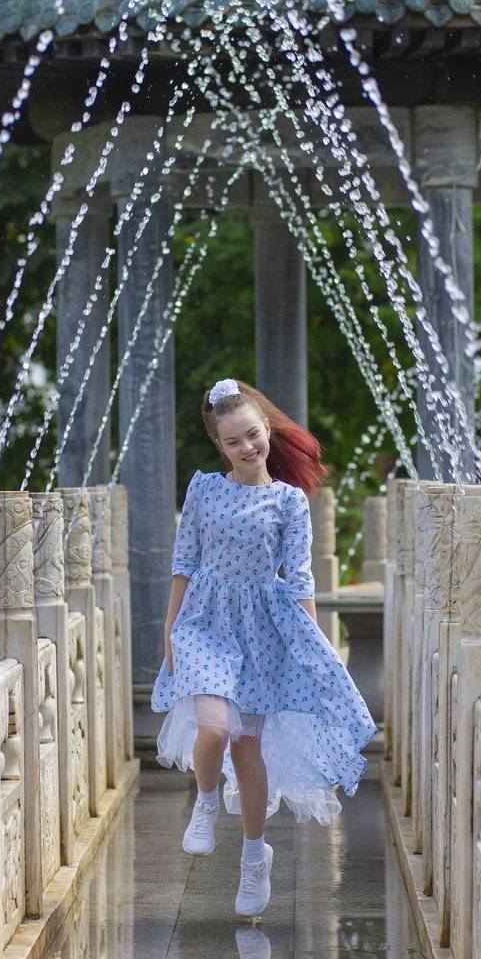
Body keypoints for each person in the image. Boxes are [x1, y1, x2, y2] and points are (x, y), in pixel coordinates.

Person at [152, 377, 377, 918]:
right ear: (220, 446)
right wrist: (169, 631)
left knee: (246, 748)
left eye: (252, 435)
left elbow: (299, 580)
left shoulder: (289, 501)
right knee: (213, 728)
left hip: (260, 633)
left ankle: (255, 856)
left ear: (267, 430)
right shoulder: (204, 490)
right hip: (204, 622)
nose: (247, 447)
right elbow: (184, 563)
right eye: (233, 441)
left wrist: (311, 649)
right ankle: (207, 803)